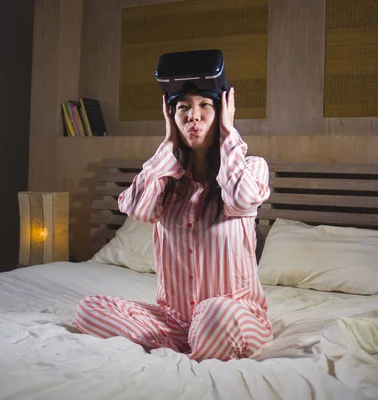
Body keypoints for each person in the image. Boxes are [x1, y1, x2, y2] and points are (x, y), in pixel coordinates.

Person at [75, 85, 273, 361]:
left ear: (223, 112)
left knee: (215, 313)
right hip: (176, 321)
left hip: (232, 314)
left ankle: (193, 343)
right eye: (183, 107)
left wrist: (228, 132)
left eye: (205, 105)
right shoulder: (167, 182)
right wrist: (168, 142)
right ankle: (180, 345)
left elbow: (241, 200)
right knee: (89, 308)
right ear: (172, 116)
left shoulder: (251, 168)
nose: (194, 115)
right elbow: (135, 208)